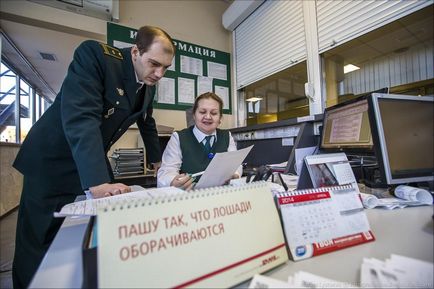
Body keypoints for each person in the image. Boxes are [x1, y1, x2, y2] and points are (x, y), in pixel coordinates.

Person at [12, 26, 175, 288]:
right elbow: (81, 118)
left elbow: (147, 121)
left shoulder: (148, 84)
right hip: (52, 160)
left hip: (90, 158)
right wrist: (98, 181)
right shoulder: (97, 57)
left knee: (89, 230)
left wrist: (158, 161)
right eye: (154, 64)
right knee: (39, 238)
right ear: (135, 51)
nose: (159, 73)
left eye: (166, 67)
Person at [157, 92, 241, 190]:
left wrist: (235, 174)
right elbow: (167, 171)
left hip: (220, 196)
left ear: (220, 118)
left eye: (214, 113)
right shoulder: (178, 137)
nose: (208, 117)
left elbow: (236, 165)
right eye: (202, 112)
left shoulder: (227, 136)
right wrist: (173, 181)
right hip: (190, 199)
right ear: (194, 115)